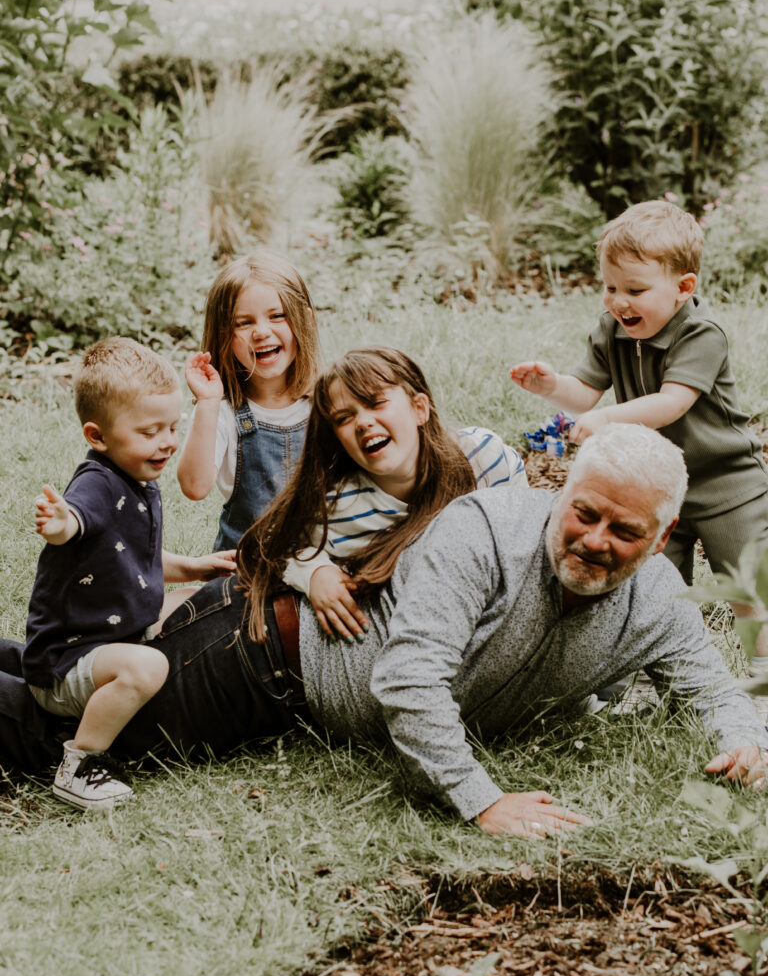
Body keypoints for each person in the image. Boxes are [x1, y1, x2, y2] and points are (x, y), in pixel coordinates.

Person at [3, 426, 766, 835]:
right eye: (584, 513)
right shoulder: (487, 532)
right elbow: (407, 680)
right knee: (59, 729)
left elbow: (713, 690)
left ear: (666, 533)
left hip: (286, 685)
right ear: (562, 491)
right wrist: (482, 800)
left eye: (624, 531)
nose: (594, 539)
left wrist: (745, 743)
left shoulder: (661, 603)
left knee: (62, 685)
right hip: (259, 649)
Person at [510, 199, 768, 675]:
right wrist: (550, 386)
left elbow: (673, 402)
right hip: (651, 486)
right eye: (610, 287)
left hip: (724, 480)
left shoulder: (702, 333)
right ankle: (660, 673)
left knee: (744, 584)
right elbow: (584, 393)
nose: (617, 301)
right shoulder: (613, 328)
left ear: (683, 288)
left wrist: (611, 422)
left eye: (634, 289)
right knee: (653, 585)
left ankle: (764, 670)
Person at [23, 338, 236, 811]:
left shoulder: (136, 479)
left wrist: (196, 567)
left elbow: (136, 558)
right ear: (98, 437)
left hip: (107, 636)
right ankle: (80, 763)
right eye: (148, 432)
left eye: (171, 427)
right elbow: (76, 522)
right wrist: (61, 525)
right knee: (149, 667)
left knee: (196, 601)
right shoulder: (97, 483)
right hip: (66, 662)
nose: (166, 442)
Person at [241, 347, 528, 641]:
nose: (363, 422)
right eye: (343, 418)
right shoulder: (340, 509)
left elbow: (526, 546)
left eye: (376, 403)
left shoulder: (485, 459)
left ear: (420, 408)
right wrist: (315, 573)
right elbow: (274, 545)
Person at [176, 250, 321, 550]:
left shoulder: (326, 404)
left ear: (304, 321)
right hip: (245, 579)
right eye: (243, 323)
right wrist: (207, 403)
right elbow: (194, 486)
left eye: (277, 316)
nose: (262, 332)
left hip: (319, 570)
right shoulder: (225, 414)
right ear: (223, 336)